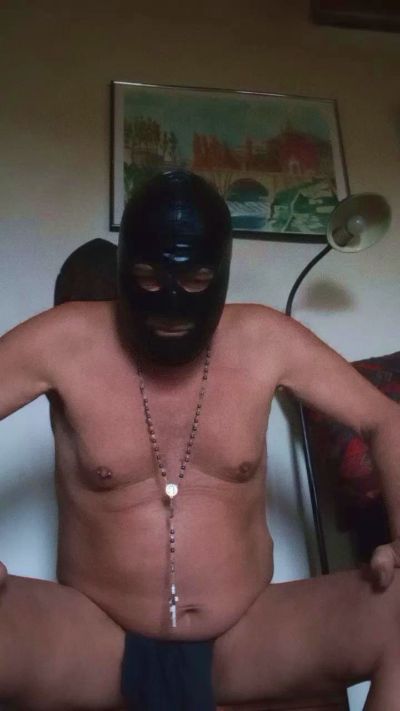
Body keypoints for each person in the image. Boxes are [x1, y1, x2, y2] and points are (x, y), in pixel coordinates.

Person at [0, 170, 400, 711]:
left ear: (222, 274)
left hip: (247, 635)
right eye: (148, 277)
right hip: (94, 638)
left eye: (195, 280)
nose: (171, 302)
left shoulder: (264, 338)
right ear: (124, 270)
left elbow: (384, 419)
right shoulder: (63, 339)